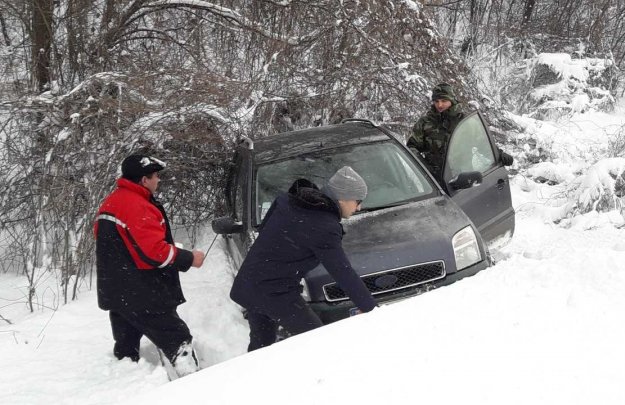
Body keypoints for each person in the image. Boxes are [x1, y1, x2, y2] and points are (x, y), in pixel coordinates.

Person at [230, 166, 377, 352]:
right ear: (343, 199)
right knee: (316, 342)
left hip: (250, 283)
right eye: (358, 201)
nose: (359, 207)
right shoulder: (324, 226)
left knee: (260, 349)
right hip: (275, 292)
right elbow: (342, 272)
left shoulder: (290, 201)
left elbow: (266, 231)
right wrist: (371, 309)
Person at [94, 154, 205, 380]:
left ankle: (128, 386)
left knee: (126, 348)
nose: (158, 181)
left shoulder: (113, 201)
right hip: (142, 291)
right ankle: (196, 385)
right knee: (177, 338)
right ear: (144, 180)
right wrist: (189, 258)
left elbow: (127, 245)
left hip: (118, 291)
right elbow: (155, 252)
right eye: (155, 176)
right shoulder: (136, 206)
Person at [408, 82, 513, 181]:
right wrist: (424, 168)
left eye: (444, 101)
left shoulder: (466, 123)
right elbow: (412, 147)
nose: (439, 105)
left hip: (462, 180)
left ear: (452, 100)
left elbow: (484, 144)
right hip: (433, 181)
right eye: (436, 101)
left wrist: (499, 155)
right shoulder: (425, 122)